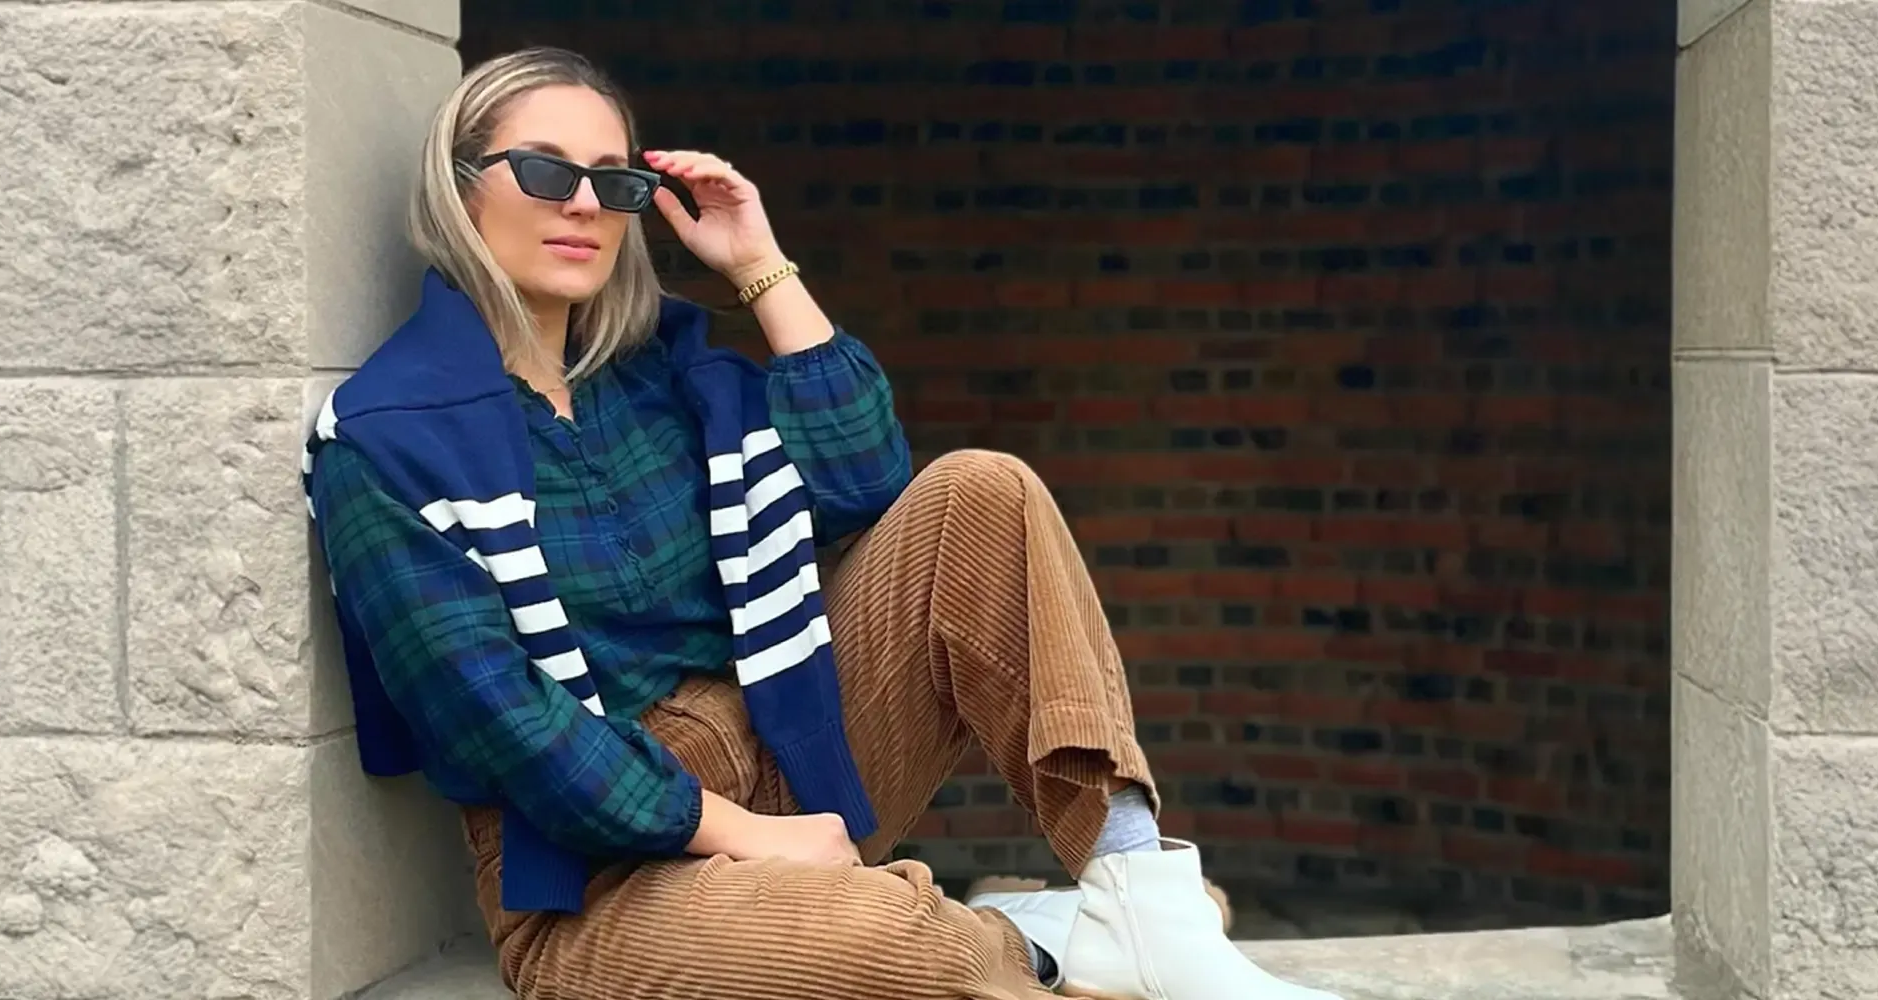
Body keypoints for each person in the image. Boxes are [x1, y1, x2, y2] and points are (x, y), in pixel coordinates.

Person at [303, 45, 1340, 1000]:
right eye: (542, 171)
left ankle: (1136, 896)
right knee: (888, 947)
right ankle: (1024, 943)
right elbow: (498, 721)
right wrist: (748, 836)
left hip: (786, 744)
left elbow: (865, 482)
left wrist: (756, 264)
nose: (584, 205)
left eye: (615, 181)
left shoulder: (667, 372)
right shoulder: (387, 435)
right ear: (458, 183)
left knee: (981, 489)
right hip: (594, 878)